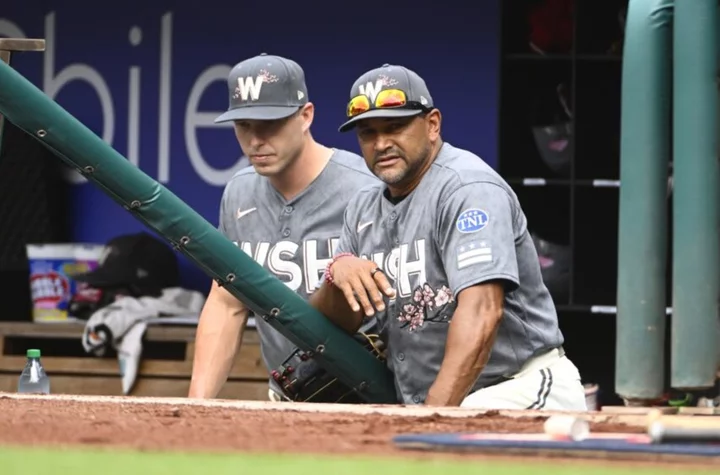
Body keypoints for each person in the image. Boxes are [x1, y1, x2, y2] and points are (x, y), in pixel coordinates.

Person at [309, 63, 587, 410]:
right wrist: (339, 271)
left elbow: (482, 312)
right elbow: (338, 321)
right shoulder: (363, 208)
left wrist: (431, 416)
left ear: (432, 125)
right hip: (446, 398)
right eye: (368, 133)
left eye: (395, 126)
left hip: (520, 385)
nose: (381, 143)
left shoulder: (467, 189)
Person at [188, 53, 379, 401]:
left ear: (306, 116)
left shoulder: (366, 187)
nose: (256, 139)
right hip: (288, 393)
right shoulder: (239, 192)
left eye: (270, 123)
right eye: (244, 125)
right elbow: (227, 303)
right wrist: (196, 405)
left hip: (371, 392)